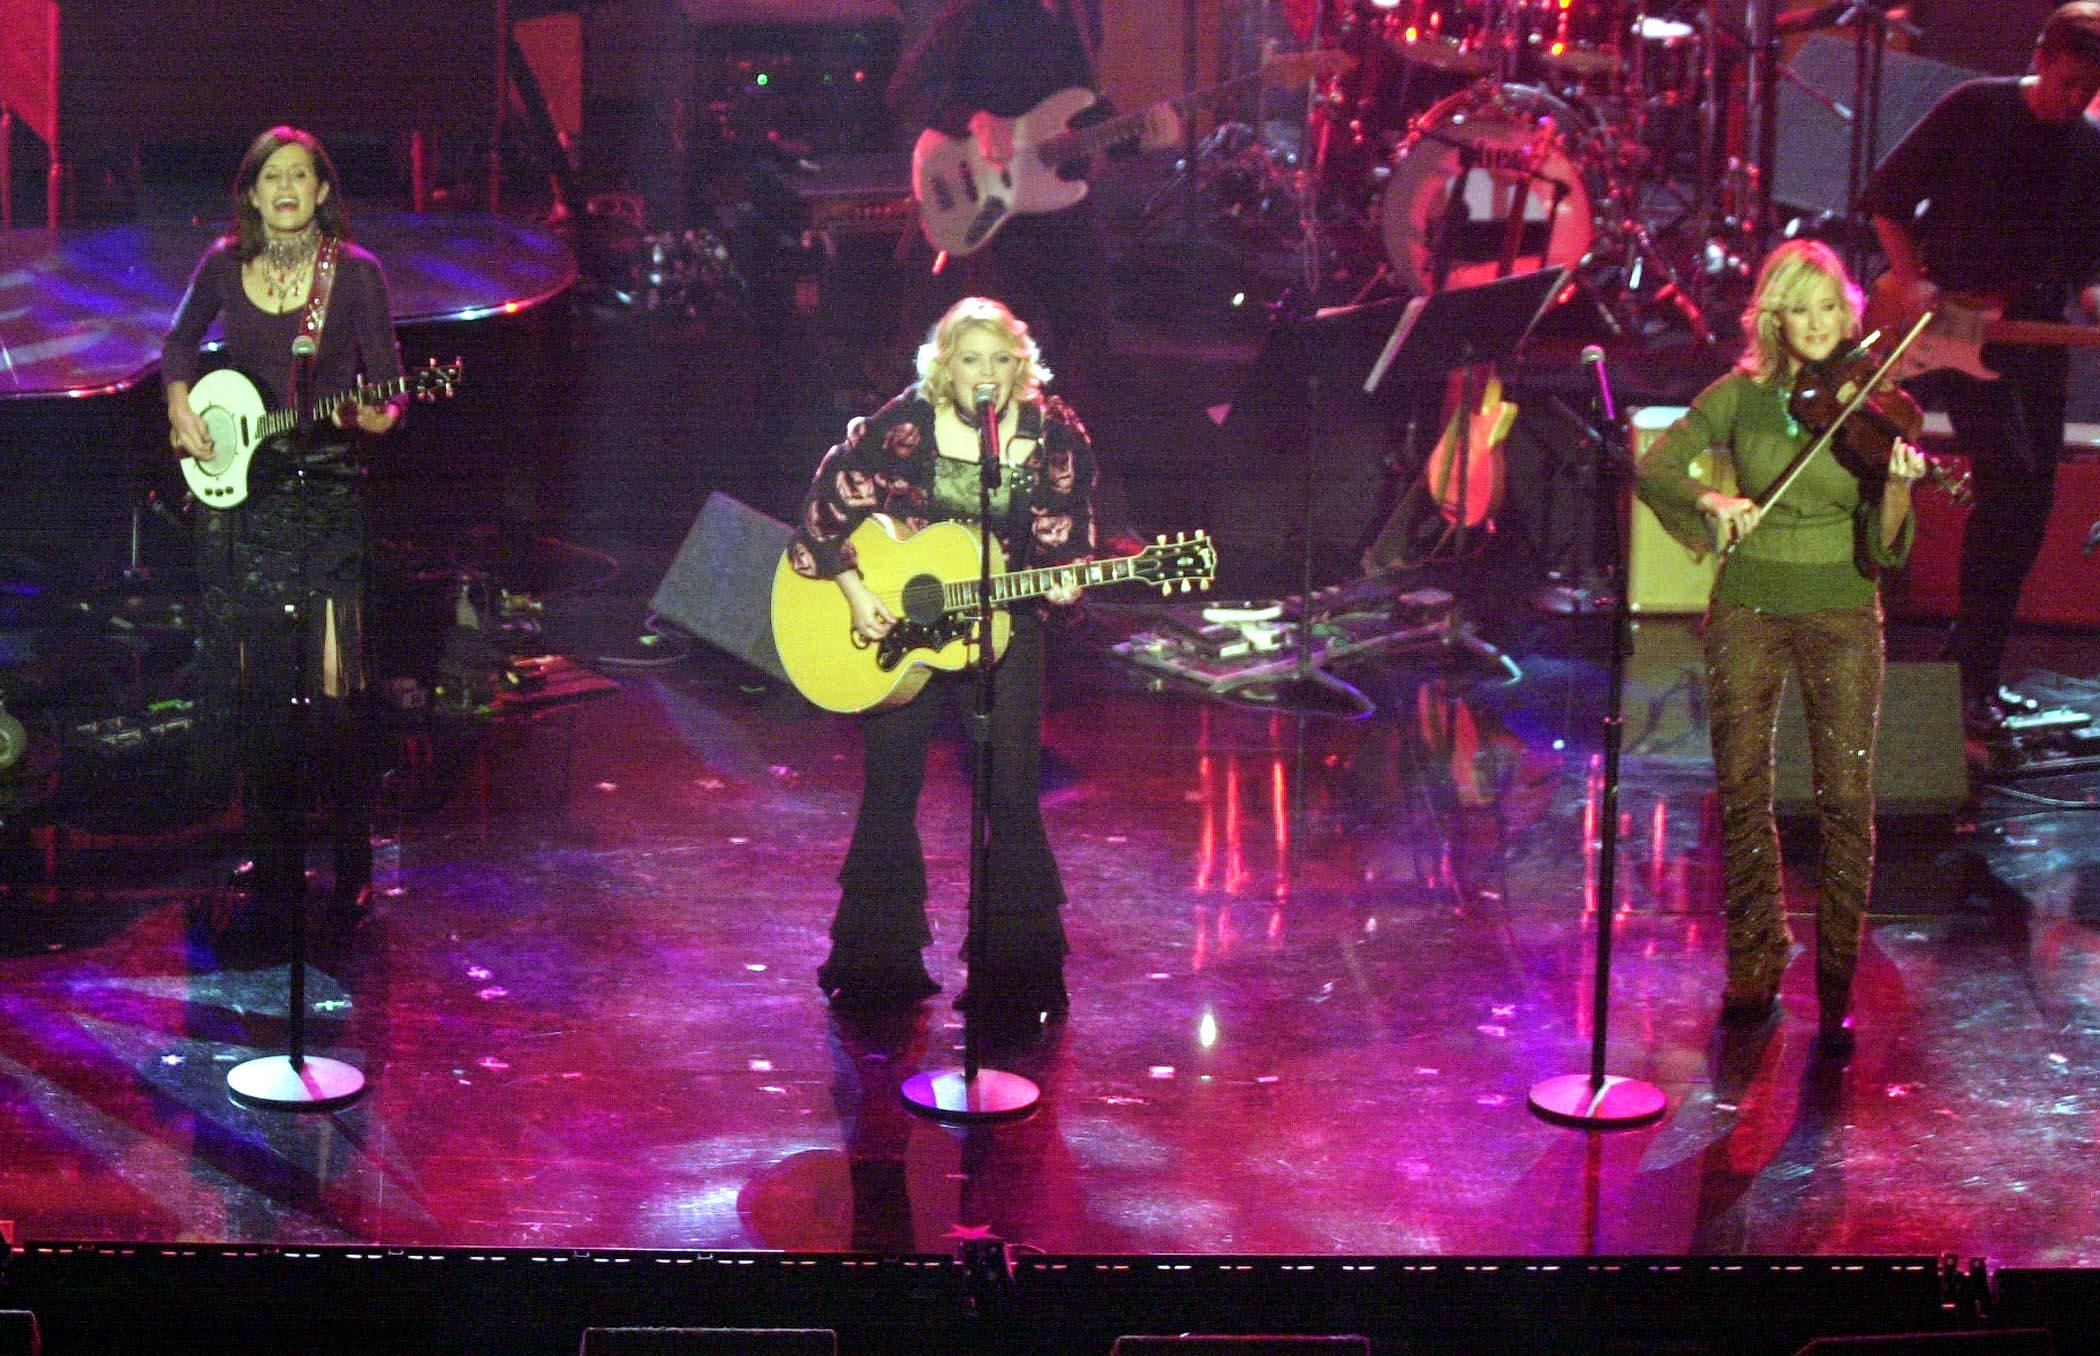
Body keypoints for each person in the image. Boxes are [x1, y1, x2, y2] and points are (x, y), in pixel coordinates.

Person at [1636, 240, 1926, 1055]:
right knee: (1741, 791)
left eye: (1832, 307)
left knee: (1845, 797)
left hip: (1840, 605)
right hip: (1748, 604)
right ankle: (1754, 964)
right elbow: (1658, 470)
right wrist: (1712, 498)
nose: (1820, 325)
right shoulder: (1739, 395)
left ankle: (1836, 977)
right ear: (1774, 317)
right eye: (1801, 309)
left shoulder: (1875, 403)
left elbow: (1887, 545)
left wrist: (1899, 485)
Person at [786, 296, 1096, 1038]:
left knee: (1012, 799)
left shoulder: (1056, 436)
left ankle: (1014, 984)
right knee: (892, 790)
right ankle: (877, 969)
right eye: (969, 359)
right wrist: (858, 594)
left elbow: (1068, 538)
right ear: (942, 365)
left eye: (999, 359)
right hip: (900, 635)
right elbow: (823, 512)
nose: (984, 374)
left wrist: (1066, 577)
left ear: (1020, 366)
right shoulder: (903, 426)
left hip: (1003, 630)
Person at [163, 126, 407, 924]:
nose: (287, 188)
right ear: (253, 192)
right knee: (262, 695)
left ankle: (350, 857)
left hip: (330, 500)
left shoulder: (357, 275)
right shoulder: (224, 266)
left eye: (301, 175)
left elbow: (392, 387)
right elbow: (175, 347)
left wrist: (382, 414)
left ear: (323, 191)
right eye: (273, 176)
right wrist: (179, 410)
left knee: (334, 696)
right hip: (249, 509)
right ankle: (272, 863)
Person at [1860, 1, 2100, 734]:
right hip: (1957, 328)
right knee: (2012, 486)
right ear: (2041, 57)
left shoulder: (2091, 148)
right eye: (2066, 85)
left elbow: (2087, 265)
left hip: (2035, 334)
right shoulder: (1974, 110)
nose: (2074, 103)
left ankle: (1975, 669)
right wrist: (1912, 281)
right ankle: (1969, 677)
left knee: (2031, 500)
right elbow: (1887, 200)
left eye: (2089, 92)